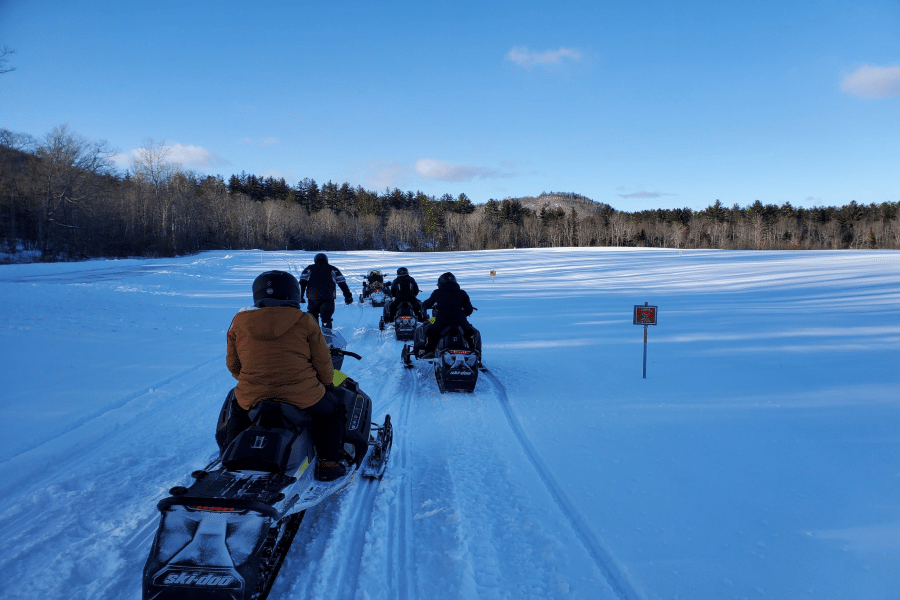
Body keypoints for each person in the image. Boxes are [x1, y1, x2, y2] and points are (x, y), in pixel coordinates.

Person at [225, 270, 348, 481]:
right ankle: (329, 463)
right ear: (292, 293)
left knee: (237, 410)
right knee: (334, 412)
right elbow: (322, 362)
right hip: (301, 394)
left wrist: (252, 380)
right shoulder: (305, 320)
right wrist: (327, 383)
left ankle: (227, 458)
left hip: (253, 393)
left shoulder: (240, 321)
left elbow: (233, 365)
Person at [419, 272, 475, 358]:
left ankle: (430, 351)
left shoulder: (437, 292)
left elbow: (427, 304)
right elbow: (469, 310)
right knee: (469, 333)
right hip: (461, 322)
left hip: (442, 322)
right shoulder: (462, 293)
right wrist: (462, 313)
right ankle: (473, 351)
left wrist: (425, 306)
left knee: (431, 332)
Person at [298, 253, 353, 329]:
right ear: (326, 260)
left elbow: (302, 282)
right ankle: (327, 336)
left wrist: (301, 296)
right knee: (326, 319)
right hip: (328, 298)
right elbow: (342, 283)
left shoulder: (309, 269)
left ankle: (314, 336)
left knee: (313, 317)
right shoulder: (333, 269)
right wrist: (348, 296)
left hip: (313, 298)